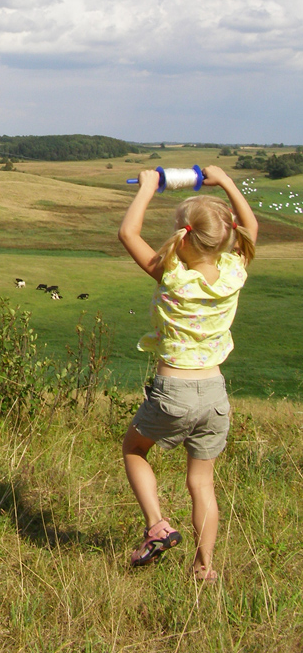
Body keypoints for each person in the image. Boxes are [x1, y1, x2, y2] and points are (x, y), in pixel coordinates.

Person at [118, 165, 258, 581]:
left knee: (134, 450)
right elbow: (250, 226)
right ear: (228, 236)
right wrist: (226, 182)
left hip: (173, 388)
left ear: (182, 234)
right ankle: (203, 567)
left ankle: (157, 525)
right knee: (202, 483)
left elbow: (128, 234)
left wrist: (146, 188)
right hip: (215, 392)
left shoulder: (172, 275)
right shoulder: (235, 271)